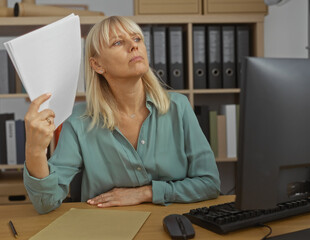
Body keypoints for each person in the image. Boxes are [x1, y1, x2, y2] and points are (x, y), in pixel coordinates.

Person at [23, 16, 220, 214]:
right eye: (118, 42)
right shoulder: (79, 121)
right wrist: (35, 150)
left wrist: (147, 193)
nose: (133, 46)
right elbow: (46, 203)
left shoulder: (179, 107)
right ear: (97, 65)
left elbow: (210, 183)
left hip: (171, 223)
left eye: (137, 39)